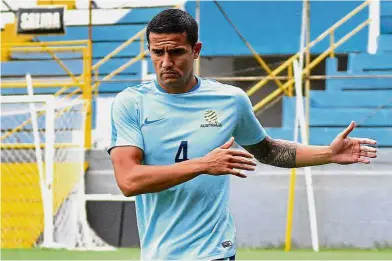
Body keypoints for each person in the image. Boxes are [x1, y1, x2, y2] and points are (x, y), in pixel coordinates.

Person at [108, 9, 377, 260]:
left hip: (214, 251)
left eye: (176, 52)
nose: (166, 62)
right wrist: (204, 165)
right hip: (159, 253)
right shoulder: (131, 103)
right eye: (158, 53)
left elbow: (268, 150)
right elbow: (129, 181)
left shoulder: (230, 100)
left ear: (196, 50)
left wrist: (327, 154)